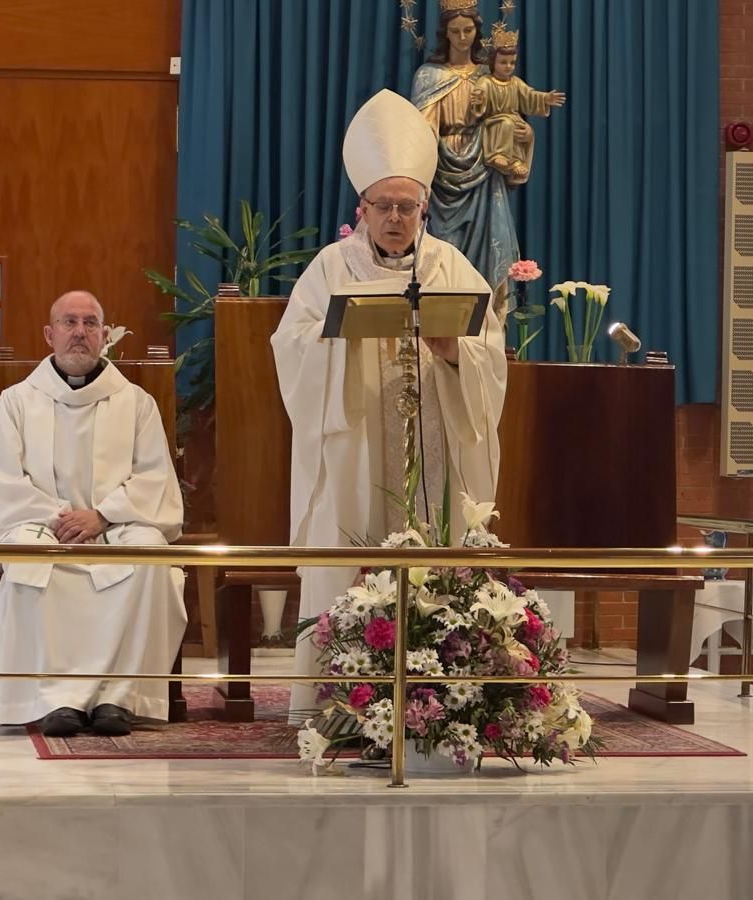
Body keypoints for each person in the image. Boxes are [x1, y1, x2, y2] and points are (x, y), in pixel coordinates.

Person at [271, 89, 507, 718]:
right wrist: (341, 342)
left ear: (425, 208)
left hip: (433, 453)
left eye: (408, 206)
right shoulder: (329, 268)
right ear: (362, 208)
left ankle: (441, 708)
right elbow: (290, 348)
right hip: (354, 451)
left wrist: (454, 352)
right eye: (385, 206)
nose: (397, 218)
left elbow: (490, 351)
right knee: (348, 551)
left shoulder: (451, 266)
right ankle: (335, 711)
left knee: (434, 560)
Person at [0, 290, 186, 737]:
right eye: (70, 323)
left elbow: (154, 479)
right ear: (50, 335)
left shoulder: (136, 403)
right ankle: (52, 699)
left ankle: (119, 697)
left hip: (117, 525)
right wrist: (58, 517)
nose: (80, 333)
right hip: (43, 525)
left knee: (152, 560)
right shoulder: (17, 402)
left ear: (105, 335)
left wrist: (102, 515)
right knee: (29, 557)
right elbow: (0, 481)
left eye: (90, 323)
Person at [410, 1, 519, 313]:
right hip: (441, 175)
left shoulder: (489, 74)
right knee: (443, 259)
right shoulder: (429, 76)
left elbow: (506, 121)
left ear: (477, 30)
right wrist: (422, 173)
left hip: (484, 171)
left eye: (468, 30)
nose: (462, 37)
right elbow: (424, 129)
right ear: (445, 33)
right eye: (455, 31)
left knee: (488, 254)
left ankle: (487, 335)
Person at [472, 23, 566, 185]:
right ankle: (497, 155)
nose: (508, 66)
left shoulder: (515, 83)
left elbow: (529, 96)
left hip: (511, 122)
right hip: (493, 124)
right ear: (493, 62)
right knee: (507, 123)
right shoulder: (486, 81)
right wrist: (480, 101)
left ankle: (515, 161)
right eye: (503, 62)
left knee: (518, 127)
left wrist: (544, 98)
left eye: (512, 62)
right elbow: (480, 99)